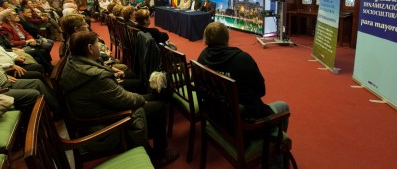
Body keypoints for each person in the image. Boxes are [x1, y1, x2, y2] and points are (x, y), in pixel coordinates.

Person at [60, 31, 179, 166]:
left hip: (95, 111)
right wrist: (140, 100)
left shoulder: (73, 61)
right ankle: (157, 156)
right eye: (96, 44)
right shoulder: (95, 77)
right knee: (158, 107)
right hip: (101, 125)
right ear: (89, 48)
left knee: (153, 97)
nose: (99, 46)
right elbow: (124, 100)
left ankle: (147, 141)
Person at [197, 21, 289, 131]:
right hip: (242, 123)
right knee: (283, 106)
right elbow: (261, 91)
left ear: (206, 38)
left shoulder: (202, 57)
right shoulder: (242, 59)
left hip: (215, 115)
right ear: (226, 37)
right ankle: (278, 145)